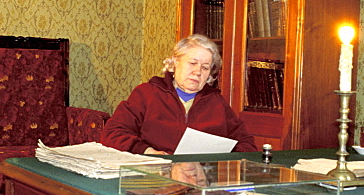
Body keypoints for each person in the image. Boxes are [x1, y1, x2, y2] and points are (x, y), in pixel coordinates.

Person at [101, 34, 257, 155]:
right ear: (175, 62)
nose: (197, 72)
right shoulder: (147, 93)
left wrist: (222, 160)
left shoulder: (217, 102)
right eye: (192, 63)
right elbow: (113, 132)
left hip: (201, 178)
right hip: (154, 173)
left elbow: (246, 143)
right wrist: (147, 151)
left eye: (205, 67)